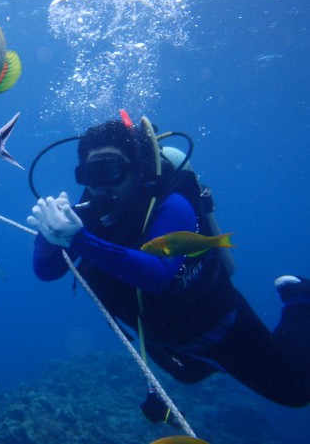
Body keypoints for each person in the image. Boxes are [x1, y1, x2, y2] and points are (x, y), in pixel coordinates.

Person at [26, 115, 310, 414]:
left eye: (110, 170)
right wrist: (50, 235)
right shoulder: (85, 219)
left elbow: (156, 274)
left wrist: (79, 240)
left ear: (135, 169)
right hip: (169, 345)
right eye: (90, 173)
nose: (100, 186)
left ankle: (299, 298)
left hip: (223, 329)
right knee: (189, 375)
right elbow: (47, 272)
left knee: (297, 390)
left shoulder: (171, 205)